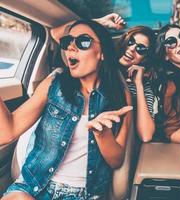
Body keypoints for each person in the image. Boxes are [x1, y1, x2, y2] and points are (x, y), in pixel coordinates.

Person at [1, 20, 132, 200]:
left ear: (102, 53)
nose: (71, 47)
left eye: (83, 41)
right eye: (67, 42)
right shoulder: (54, 84)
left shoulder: (120, 94)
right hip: (33, 186)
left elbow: (116, 160)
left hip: (83, 195)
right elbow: (8, 132)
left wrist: (103, 134)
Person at [116, 26, 157, 142]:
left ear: (145, 59)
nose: (132, 49)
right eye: (130, 42)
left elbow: (146, 135)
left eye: (141, 49)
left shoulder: (144, 87)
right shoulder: (100, 68)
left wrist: (138, 85)